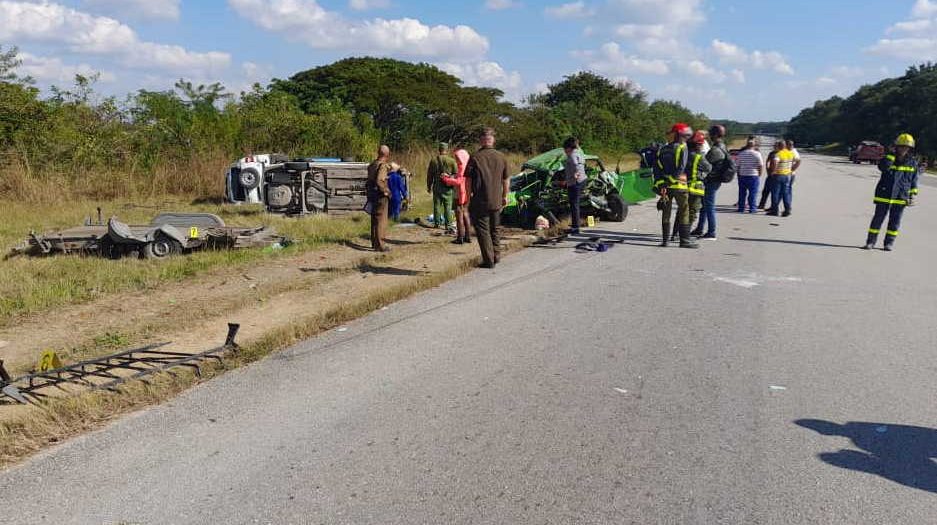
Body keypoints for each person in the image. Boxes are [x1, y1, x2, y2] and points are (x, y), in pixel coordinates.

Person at [863, 133, 920, 251]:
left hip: (901, 196)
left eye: (906, 147)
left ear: (910, 149)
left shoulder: (912, 162)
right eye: (901, 146)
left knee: (895, 222)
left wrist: (912, 195)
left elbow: (914, 180)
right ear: (896, 146)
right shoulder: (888, 158)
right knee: (877, 220)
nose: (904, 149)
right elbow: (883, 168)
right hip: (884, 195)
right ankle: (870, 242)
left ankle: (889, 243)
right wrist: (891, 156)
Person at [466, 128, 510, 268]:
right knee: (495, 228)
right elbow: (506, 179)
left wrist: (467, 196)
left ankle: (488, 260)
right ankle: (496, 255)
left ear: (481, 140)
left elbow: (468, 180)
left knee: (483, 230)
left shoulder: (475, 157)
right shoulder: (501, 156)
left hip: (480, 199)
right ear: (493, 140)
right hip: (496, 199)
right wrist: (505, 195)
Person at [654, 123, 698, 248]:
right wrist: (672, 180)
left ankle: (665, 241)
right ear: (679, 135)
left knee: (666, 212)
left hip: (665, 187)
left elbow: (657, 169)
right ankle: (684, 241)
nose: (685, 137)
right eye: (684, 135)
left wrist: (663, 184)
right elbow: (681, 167)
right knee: (684, 211)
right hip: (679, 186)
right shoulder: (682, 148)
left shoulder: (662, 149)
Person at [693, 124, 733, 240]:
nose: (709, 135)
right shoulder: (722, 146)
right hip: (714, 179)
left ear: (714, 135)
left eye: (711, 133)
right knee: (705, 206)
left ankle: (711, 232)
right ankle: (700, 229)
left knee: (709, 206)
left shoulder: (716, 149)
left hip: (712, 180)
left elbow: (704, 163)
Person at [673, 131, 711, 241]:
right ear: (697, 145)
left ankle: (674, 234)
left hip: (681, 187)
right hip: (695, 189)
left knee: (681, 211)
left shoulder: (681, 155)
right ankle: (685, 236)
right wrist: (702, 174)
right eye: (701, 144)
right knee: (691, 213)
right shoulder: (699, 157)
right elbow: (709, 168)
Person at [442, 148, 472, 244]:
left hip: (459, 195)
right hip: (466, 194)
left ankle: (460, 237)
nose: (456, 160)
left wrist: (446, 179)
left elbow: (459, 181)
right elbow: (460, 178)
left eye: (457, 158)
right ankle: (468, 236)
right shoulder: (468, 166)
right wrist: (451, 176)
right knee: (466, 214)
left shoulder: (462, 167)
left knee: (459, 216)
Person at [427, 142, 458, 232]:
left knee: (437, 205)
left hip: (437, 186)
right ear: (447, 149)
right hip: (447, 186)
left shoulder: (433, 160)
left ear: (439, 149)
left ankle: (436, 223)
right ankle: (448, 224)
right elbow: (456, 174)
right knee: (447, 206)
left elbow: (429, 175)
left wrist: (429, 186)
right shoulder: (451, 161)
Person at [367, 145, 393, 252]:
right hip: (380, 195)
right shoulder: (382, 166)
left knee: (374, 218)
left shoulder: (373, 164)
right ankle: (380, 244)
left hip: (372, 193)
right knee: (381, 220)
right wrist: (386, 191)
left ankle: (374, 242)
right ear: (386, 154)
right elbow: (379, 180)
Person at [562, 137, 587, 235]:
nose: (564, 150)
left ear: (568, 148)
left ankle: (576, 228)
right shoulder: (579, 152)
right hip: (582, 180)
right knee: (575, 204)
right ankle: (575, 225)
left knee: (574, 205)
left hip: (575, 182)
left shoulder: (572, 155)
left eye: (565, 148)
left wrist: (576, 173)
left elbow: (575, 165)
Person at [766, 140, 796, 216]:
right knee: (786, 193)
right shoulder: (790, 153)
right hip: (787, 175)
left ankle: (774, 211)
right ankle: (787, 210)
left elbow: (775, 162)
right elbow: (797, 161)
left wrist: (773, 171)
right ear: (785, 146)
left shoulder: (778, 154)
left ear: (779, 146)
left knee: (775, 193)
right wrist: (792, 169)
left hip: (778, 175)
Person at [736, 138, 763, 213]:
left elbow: (738, 165)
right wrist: (759, 174)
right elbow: (760, 165)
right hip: (753, 175)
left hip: (743, 174)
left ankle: (741, 208)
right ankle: (752, 208)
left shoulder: (741, 154)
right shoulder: (757, 154)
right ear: (754, 145)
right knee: (753, 193)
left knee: (742, 193)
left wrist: (738, 174)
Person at [758, 142, 781, 210]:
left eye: (776, 146)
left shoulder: (781, 154)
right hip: (770, 174)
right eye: (774, 146)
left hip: (777, 175)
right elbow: (767, 161)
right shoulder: (772, 153)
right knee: (765, 190)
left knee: (775, 192)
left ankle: (773, 206)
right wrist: (768, 169)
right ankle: (762, 204)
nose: (774, 147)